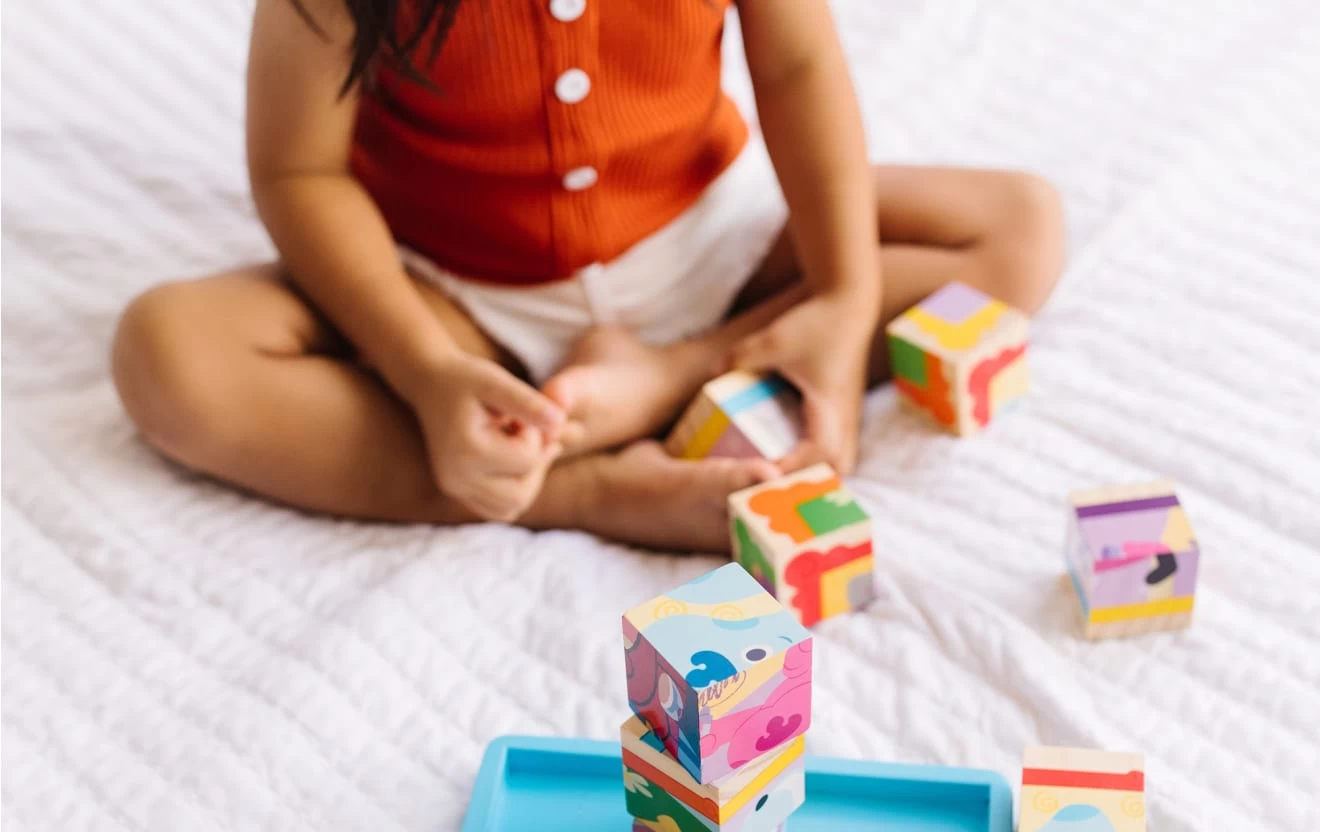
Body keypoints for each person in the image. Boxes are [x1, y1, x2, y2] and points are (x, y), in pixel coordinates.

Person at [112, 0, 1064, 552]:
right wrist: (423, 373)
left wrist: (844, 300)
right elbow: (299, 172)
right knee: (169, 358)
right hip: (455, 298)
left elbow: (801, 63)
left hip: (706, 238)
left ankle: (668, 376)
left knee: (1019, 228)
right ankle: (584, 488)